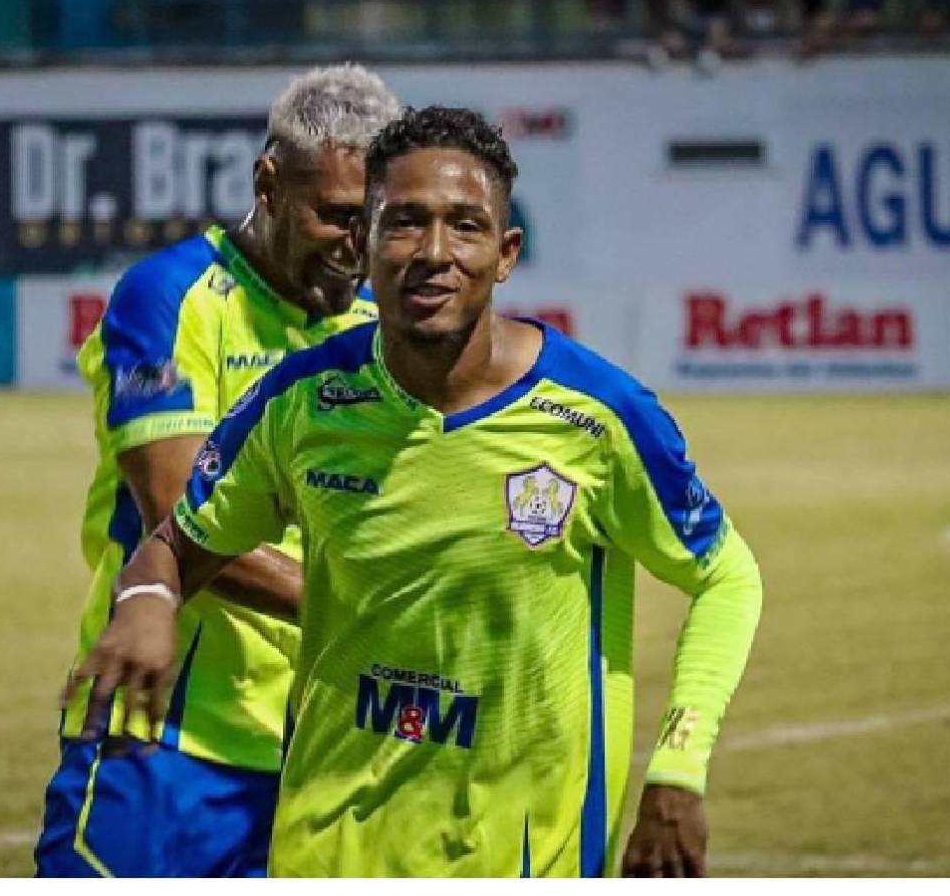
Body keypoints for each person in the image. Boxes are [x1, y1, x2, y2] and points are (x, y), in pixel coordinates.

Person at [68, 106, 763, 877]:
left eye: (465, 226)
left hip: (521, 860)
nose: (435, 252)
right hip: (326, 852)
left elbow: (726, 575)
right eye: (404, 223)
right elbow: (177, 539)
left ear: (506, 254)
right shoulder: (301, 401)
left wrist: (678, 766)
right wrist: (148, 599)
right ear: (365, 244)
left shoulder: (601, 416)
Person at [34, 63, 401, 877]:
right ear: (268, 184)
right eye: (338, 215)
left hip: (327, 745)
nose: (359, 247)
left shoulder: (386, 326)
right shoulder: (172, 297)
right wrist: (370, 611)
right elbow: (179, 513)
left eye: (378, 219)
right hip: (167, 733)